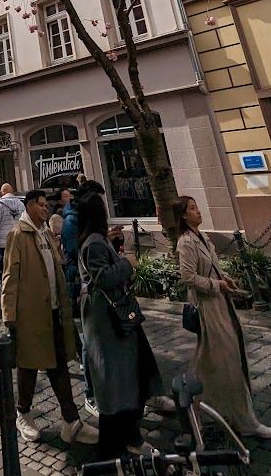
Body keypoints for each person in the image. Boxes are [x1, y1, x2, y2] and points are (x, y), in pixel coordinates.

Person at [174, 197, 271, 440]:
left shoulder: (202, 237)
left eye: (198, 206)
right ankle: (244, 420)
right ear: (183, 216)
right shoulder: (186, 242)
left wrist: (225, 279)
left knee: (210, 360)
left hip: (220, 304)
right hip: (208, 307)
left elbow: (210, 268)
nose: (198, 211)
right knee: (228, 360)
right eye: (192, 208)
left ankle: (191, 405)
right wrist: (217, 285)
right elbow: (188, 277)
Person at [2, 189, 97, 447]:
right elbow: (9, 276)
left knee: (58, 366)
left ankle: (71, 421)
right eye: (42, 205)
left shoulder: (44, 232)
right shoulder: (18, 235)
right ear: (30, 206)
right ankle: (23, 414)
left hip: (53, 312)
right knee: (28, 365)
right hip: (30, 314)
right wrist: (9, 315)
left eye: (47, 205)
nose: (46, 209)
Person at [78, 192, 163, 460]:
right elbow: (102, 277)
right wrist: (127, 263)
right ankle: (121, 441)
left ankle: (126, 435)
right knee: (118, 380)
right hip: (109, 321)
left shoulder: (97, 241)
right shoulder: (92, 243)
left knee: (128, 375)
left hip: (114, 320)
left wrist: (116, 251)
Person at [0, 183, 24, 298]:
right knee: (16, 271)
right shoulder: (20, 204)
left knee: (3, 270)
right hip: (18, 242)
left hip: (3, 243)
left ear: (2, 192)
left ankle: (5, 295)